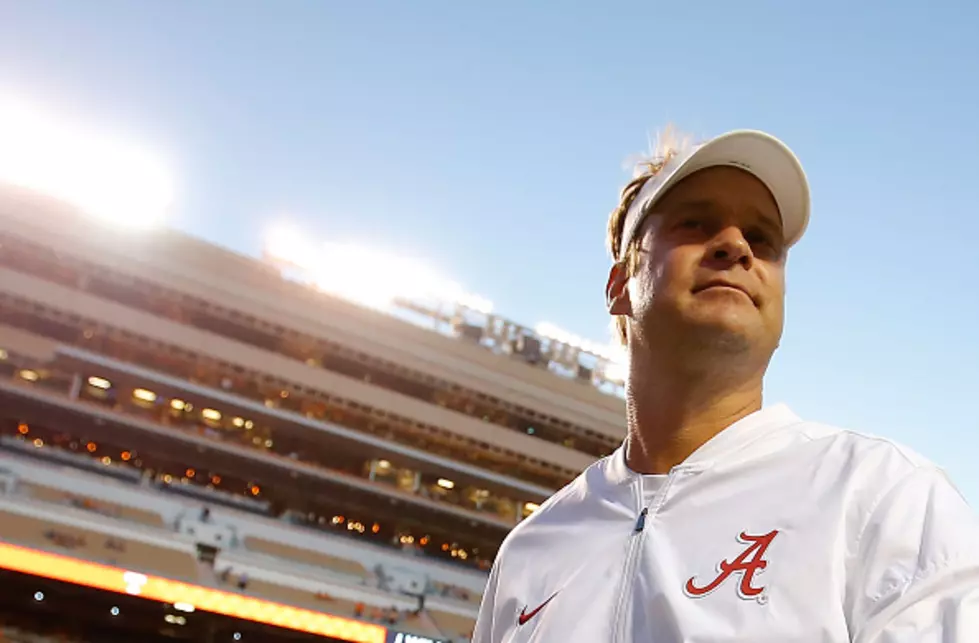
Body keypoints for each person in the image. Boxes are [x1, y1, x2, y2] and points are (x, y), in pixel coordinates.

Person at [472, 128, 979, 642]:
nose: (737, 246)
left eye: (762, 239)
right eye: (695, 223)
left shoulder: (883, 495)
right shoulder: (531, 550)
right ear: (621, 285)